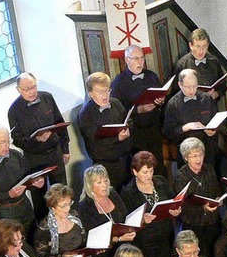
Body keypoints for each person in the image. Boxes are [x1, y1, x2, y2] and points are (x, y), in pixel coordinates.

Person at [8, 72, 70, 220]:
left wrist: (65, 149)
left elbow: (60, 123)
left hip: (55, 152)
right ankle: (44, 231)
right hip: (34, 159)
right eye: (26, 89)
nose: (31, 91)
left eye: (33, 87)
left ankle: (66, 222)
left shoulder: (47, 98)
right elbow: (16, 139)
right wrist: (36, 140)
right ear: (18, 90)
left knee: (62, 192)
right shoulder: (14, 110)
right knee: (39, 198)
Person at [120, 151, 179, 257]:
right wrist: (142, 219)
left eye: (151, 171)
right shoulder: (128, 192)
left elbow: (173, 200)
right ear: (135, 172)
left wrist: (175, 210)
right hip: (145, 242)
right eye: (145, 172)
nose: (149, 176)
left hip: (166, 237)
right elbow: (126, 221)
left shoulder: (161, 182)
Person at [0, 125, 45, 237]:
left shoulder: (16, 155)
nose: (7, 145)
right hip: (5, 212)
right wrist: (9, 194)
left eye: (9, 141)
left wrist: (36, 183)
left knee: (34, 238)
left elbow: (27, 178)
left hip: (25, 206)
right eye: (3, 142)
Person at [111, 45, 166, 176]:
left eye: (142, 58)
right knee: (140, 168)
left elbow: (162, 95)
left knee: (157, 166)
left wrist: (161, 101)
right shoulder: (119, 82)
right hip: (135, 133)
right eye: (136, 59)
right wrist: (137, 110)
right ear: (127, 60)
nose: (140, 62)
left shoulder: (151, 76)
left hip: (154, 130)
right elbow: (116, 110)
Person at [77, 165, 136, 257]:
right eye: (99, 182)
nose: (104, 185)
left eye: (105, 180)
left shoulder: (113, 194)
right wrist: (118, 238)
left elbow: (126, 217)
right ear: (90, 186)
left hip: (124, 251)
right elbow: (92, 238)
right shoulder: (85, 207)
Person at [78, 72, 132, 191]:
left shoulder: (115, 103)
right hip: (106, 167)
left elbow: (129, 121)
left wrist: (128, 127)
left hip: (125, 161)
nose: (106, 95)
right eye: (101, 92)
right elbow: (96, 145)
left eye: (107, 90)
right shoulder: (86, 115)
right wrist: (117, 138)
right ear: (91, 93)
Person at [172, 138, 221, 257]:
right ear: (186, 158)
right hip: (193, 223)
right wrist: (203, 208)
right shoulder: (181, 176)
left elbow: (216, 190)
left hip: (213, 220)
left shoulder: (209, 169)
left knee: (215, 254)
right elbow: (182, 204)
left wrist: (219, 199)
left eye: (200, 155)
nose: (198, 159)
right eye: (194, 156)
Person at [163, 68, 219, 166]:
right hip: (186, 156)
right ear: (180, 85)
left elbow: (216, 119)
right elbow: (168, 132)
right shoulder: (173, 104)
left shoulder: (206, 98)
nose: (192, 90)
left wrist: (213, 130)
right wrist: (185, 127)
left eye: (195, 86)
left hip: (208, 151)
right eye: (188, 87)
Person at [172, 28, 226, 102]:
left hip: (211, 106)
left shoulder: (214, 61)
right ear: (191, 45)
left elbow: (223, 85)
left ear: (208, 45)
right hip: (190, 108)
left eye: (204, 46)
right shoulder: (182, 65)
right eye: (198, 46)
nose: (201, 50)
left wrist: (216, 93)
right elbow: (175, 92)